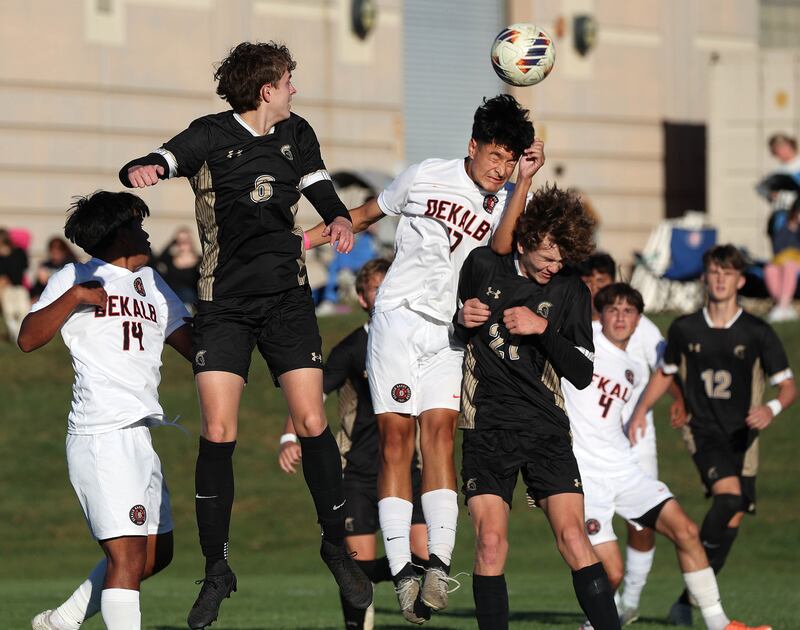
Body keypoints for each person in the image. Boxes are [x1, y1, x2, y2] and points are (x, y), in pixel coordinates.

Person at [118, 41, 371, 628]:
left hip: (287, 300)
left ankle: (335, 547)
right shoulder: (209, 134)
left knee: (312, 421)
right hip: (224, 304)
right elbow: (163, 156)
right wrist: (146, 168)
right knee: (217, 428)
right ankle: (216, 570)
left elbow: (321, 188)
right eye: (289, 80)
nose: (294, 89)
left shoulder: (297, 132)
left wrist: (336, 215)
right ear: (266, 89)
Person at [307, 94, 545, 622]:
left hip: (452, 331)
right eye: (496, 156)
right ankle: (403, 573)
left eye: (510, 160)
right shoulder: (425, 175)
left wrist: (523, 182)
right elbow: (367, 214)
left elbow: (506, 251)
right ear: (473, 146)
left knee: (438, 435)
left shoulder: (507, 198)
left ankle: (437, 564)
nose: (500, 168)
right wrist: (304, 240)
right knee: (396, 439)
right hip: (397, 320)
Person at [18, 191, 193, 630]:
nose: (146, 231)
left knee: (158, 552)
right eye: (137, 223)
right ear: (118, 234)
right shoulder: (75, 275)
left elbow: (194, 346)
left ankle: (65, 619)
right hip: (101, 432)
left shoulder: (154, 282)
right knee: (127, 556)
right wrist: (75, 297)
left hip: (139, 431)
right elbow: (27, 337)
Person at [455, 185, 622, 630]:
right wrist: (460, 319)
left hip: (546, 429)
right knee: (491, 543)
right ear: (525, 241)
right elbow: (457, 333)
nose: (556, 267)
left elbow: (583, 373)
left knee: (573, 538)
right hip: (487, 427)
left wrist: (542, 328)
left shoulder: (569, 290)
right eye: (548, 257)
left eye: (562, 259)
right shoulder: (482, 265)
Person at [564, 282, 772, 630]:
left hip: (624, 468)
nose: (620, 317)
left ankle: (720, 624)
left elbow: (667, 369)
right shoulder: (584, 343)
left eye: (628, 311)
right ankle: (592, 625)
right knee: (611, 573)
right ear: (600, 314)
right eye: (612, 309)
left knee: (687, 530)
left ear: (638, 320)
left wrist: (672, 401)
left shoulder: (632, 367)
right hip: (586, 478)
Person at [628, 244, 797, 627]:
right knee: (730, 497)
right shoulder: (686, 327)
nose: (720, 279)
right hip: (702, 432)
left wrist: (770, 409)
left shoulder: (757, 331)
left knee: (731, 519)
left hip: (744, 437)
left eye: (727, 273)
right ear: (705, 277)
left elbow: (788, 387)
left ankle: (684, 602)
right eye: (714, 272)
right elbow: (667, 372)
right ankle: (709, 602)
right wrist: (641, 410)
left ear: (740, 280)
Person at [279, 258, 430, 629]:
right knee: (354, 570)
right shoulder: (351, 348)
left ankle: (396, 576)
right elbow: (310, 396)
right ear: (363, 298)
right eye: (375, 289)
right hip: (359, 471)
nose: (382, 295)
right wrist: (288, 435)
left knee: (428, 565)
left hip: (410, 468)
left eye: (388, 286)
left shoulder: (421, 344)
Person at [578, 252, 686, 624]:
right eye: (588, 281)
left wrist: (679, 401)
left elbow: (666, 367)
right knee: (595, 532)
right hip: (591, 448)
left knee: (642, 521)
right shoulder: (577, 328)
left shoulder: (642, 329)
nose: (595, 287)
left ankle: (630, 601)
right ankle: (603, 603)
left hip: (636, 439)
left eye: (602, 280)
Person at [763, 198, 800, 322]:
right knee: (770, 269)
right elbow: (777, 248)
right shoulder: (783, 228)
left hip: (796, 261)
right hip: (781, 260)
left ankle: (782, 307)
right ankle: (784, 307)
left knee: (790, 266)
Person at [153, 227, 200, 308]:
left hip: (190, 300)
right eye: (180, 241)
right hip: (172, 298)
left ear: (191, 241)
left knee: (187, 294)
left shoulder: (199, 259)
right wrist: (173, 242)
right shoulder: (170, 259)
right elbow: (157, 261)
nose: (183, 243)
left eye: (186, 240)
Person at [0, 227, 31, 343]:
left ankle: (21, 335)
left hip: (19, 287)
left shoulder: (19, 252)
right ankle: (15, 335)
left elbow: (22, 268)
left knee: (23, 312)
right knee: (9, 313)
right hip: (6, 289)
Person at [30, 236, 78, 301]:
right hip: (47, 299)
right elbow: (36, 289)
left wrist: (48, 280)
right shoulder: (45, 265)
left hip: (65, 299)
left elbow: (71, 284)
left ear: (64, 250)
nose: (55, 251)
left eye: (59, 248)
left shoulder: (71, 264)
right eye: (52, 248)